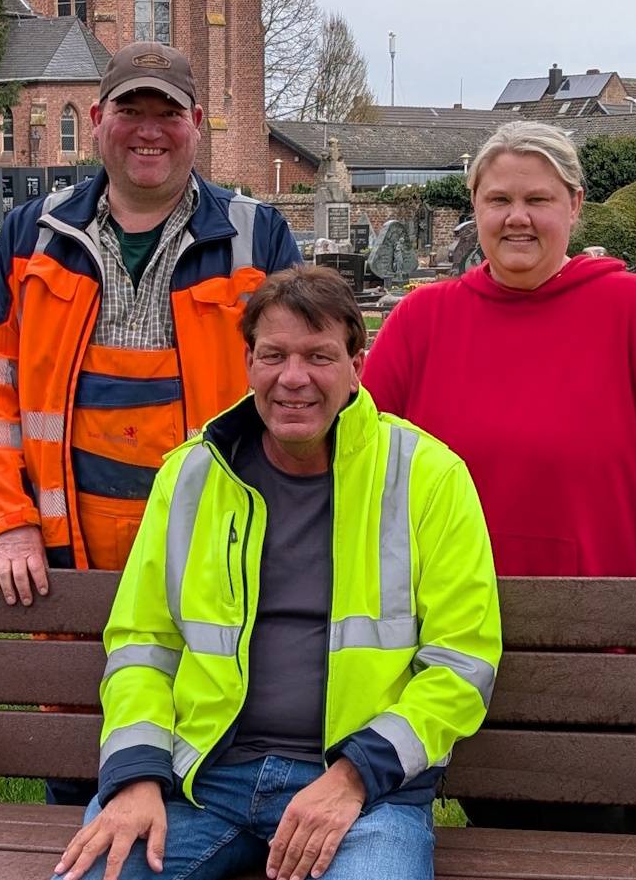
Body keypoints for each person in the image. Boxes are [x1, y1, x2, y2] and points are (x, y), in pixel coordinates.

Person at [361, 120, 636, 833]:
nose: (516, 216)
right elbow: (359, 453)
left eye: (537, 198)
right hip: (455, 640)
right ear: (474, 210)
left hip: (608, 636)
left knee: (599, 823)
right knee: (496, 827)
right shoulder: (422, 321)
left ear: (573, 205)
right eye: (497, 200)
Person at [55, 266, 501, 880]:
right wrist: (134, 777)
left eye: (319, 356)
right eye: (275, 356)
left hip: (361, 791)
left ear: (356, 367)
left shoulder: (429, 476)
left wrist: (353, 776)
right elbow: (142, 646)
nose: (294, 379)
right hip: (199, 781)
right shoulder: (190, 476)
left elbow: (462, 664)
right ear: (248, 363)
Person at [0, 40, 301, 802]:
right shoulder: (30, 236)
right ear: (98, 118)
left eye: (167, 114)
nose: (149, 130)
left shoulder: (258, 236)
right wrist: (7, 522)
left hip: (217, 545)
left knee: (210, 740)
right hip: (64, 550)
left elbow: (301, 384)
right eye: (130, 111)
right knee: (79, 745)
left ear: (199, 124)